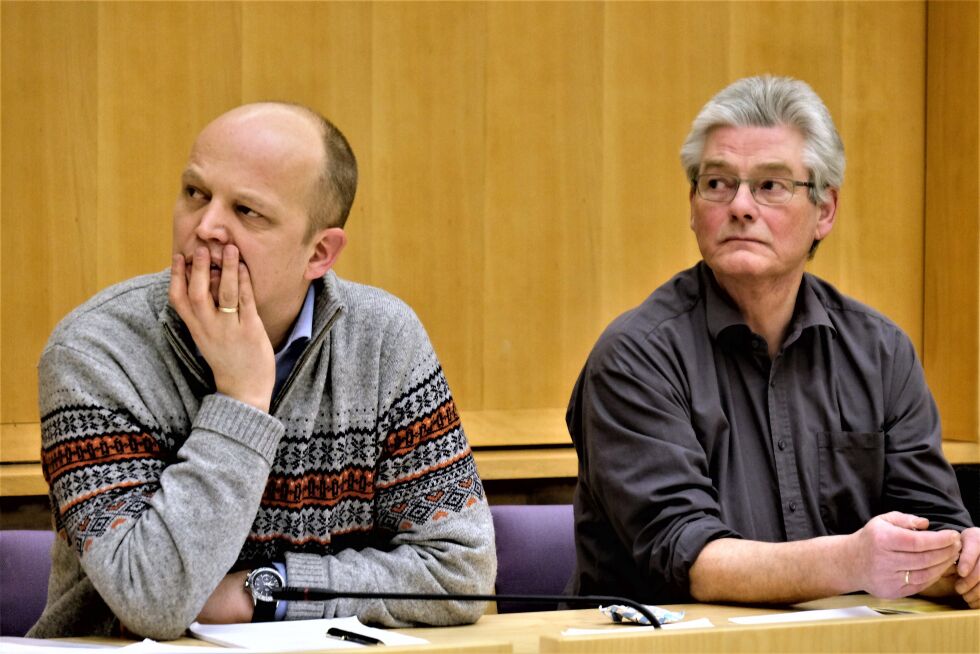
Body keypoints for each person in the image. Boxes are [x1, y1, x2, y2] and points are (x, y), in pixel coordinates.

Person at [29, 102, 495, 640]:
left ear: (319, 252)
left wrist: (269, 590)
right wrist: (242, 398)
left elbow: (462, 572)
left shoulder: (384, 339)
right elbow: (151, 598)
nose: (204, 227)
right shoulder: (95, 351)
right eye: (195, 194)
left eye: (247, 211)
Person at [567, 76, 979, 609]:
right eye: (717, 183)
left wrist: (962, 563)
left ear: (825, 210)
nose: (740, 206)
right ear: (693, 207)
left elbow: (937, 535)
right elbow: (688, 557)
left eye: (770, 185)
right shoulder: (635, 356)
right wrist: (852, 560)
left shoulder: (881, 353)